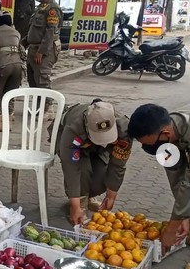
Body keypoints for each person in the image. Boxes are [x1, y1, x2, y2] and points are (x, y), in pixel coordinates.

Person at [55, 100, 132, 226]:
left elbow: (118, 164)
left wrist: (111, 196)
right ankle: (80, 203)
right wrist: (75, 206)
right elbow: (71, 169)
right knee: (82, 173)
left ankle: (88, 196)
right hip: (76, 143)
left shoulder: (124, 128)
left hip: (99, 149)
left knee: (102, 179)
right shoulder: (73, 129)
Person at [128, 104, 190, 249]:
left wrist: (172, 228)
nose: (149, 149)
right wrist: (184, 216)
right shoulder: (165, 143)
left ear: (166, 134)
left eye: (151, 145)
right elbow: (177, 179)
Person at [0, 11, 24, 132]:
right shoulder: (16, 32)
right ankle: (9, 123)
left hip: (2, 65)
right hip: (18, 65)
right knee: (10, 94)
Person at [23, 0, 62, 98]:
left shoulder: (52, 9)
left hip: (44, 51)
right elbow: (33, 30)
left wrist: (41, 52)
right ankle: (37, 108)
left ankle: (47, 109)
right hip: (33, 48)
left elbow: (50, 32)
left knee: (42, 81)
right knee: (32, 81)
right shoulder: (40, 8)